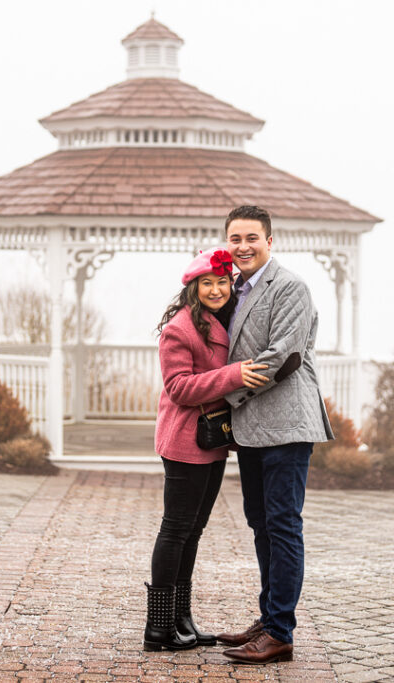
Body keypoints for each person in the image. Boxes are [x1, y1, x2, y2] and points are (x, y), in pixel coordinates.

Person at [217, 205, 334, 664]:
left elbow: (283, 357)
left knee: (283, 526)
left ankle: (281, 632)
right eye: (235, 238)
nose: (243, 246)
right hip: (252, 429)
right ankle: (268, 619)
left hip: (285, 424)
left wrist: (223, 397)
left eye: (251, 238)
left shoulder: (290, 287)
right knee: (261, 524)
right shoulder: (235, 290)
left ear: (270, 241)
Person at [144, 247, 270, 652]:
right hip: (184, 441)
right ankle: (158, 627)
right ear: (192, 288)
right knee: (176, 529)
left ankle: (182, 619)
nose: (216, 289)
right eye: (207, 283)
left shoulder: (220, 321)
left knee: (192, 532)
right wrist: (234, 376)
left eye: (221, 282)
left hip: (211, 440)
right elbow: (178, 387)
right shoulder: (180, 329)